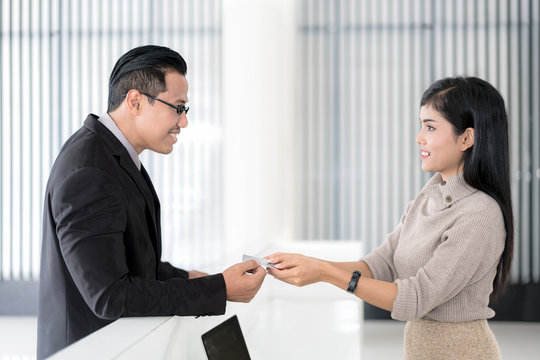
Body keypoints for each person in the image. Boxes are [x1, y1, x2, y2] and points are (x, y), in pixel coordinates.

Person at [37, 45, 266, 359]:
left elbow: (130, 261)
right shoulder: (90, 170)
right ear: (135, 101)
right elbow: (111, 296)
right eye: (178, 107)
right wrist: (218, 289)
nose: (183, 122)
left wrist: (189, 279)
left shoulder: (112, 156)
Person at [265, 76, 513, 359]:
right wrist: (314, 265)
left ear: (467, 138)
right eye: (421, 125)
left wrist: (325, 273)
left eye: (430, 127)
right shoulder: (428, 196)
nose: (419, 137)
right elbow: (381, 264)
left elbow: (417, 298)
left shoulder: (479, 214)